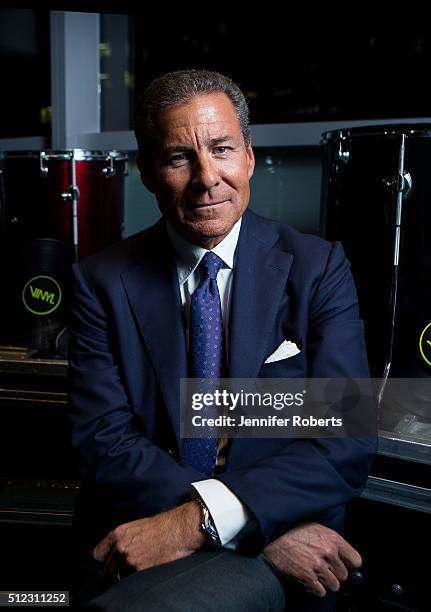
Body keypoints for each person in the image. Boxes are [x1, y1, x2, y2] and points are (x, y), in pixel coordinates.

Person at [68, 69, 377, 611]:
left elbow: (342, 441)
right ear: (146, 172)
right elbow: (103, 442)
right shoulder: (99, 280)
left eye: (222, 149)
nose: (207, 177)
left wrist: (201, 522)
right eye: (178, 157)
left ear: (250, 156)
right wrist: (249, 528)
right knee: (35, 601)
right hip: (144, 533)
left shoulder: (319, 268)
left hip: (277, 549)